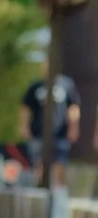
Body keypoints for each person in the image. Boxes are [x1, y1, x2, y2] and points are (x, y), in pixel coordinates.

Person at [19, 58, 81, 188]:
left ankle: (59, 193)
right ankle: (40, 189)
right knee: (38, 163)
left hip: (60, 133)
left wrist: (73, 127)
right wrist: (24, 126)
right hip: (38, 132)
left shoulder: (67, 84)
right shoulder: (35, 86)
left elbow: (73, 108)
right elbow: (25, 108)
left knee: (59, 164)